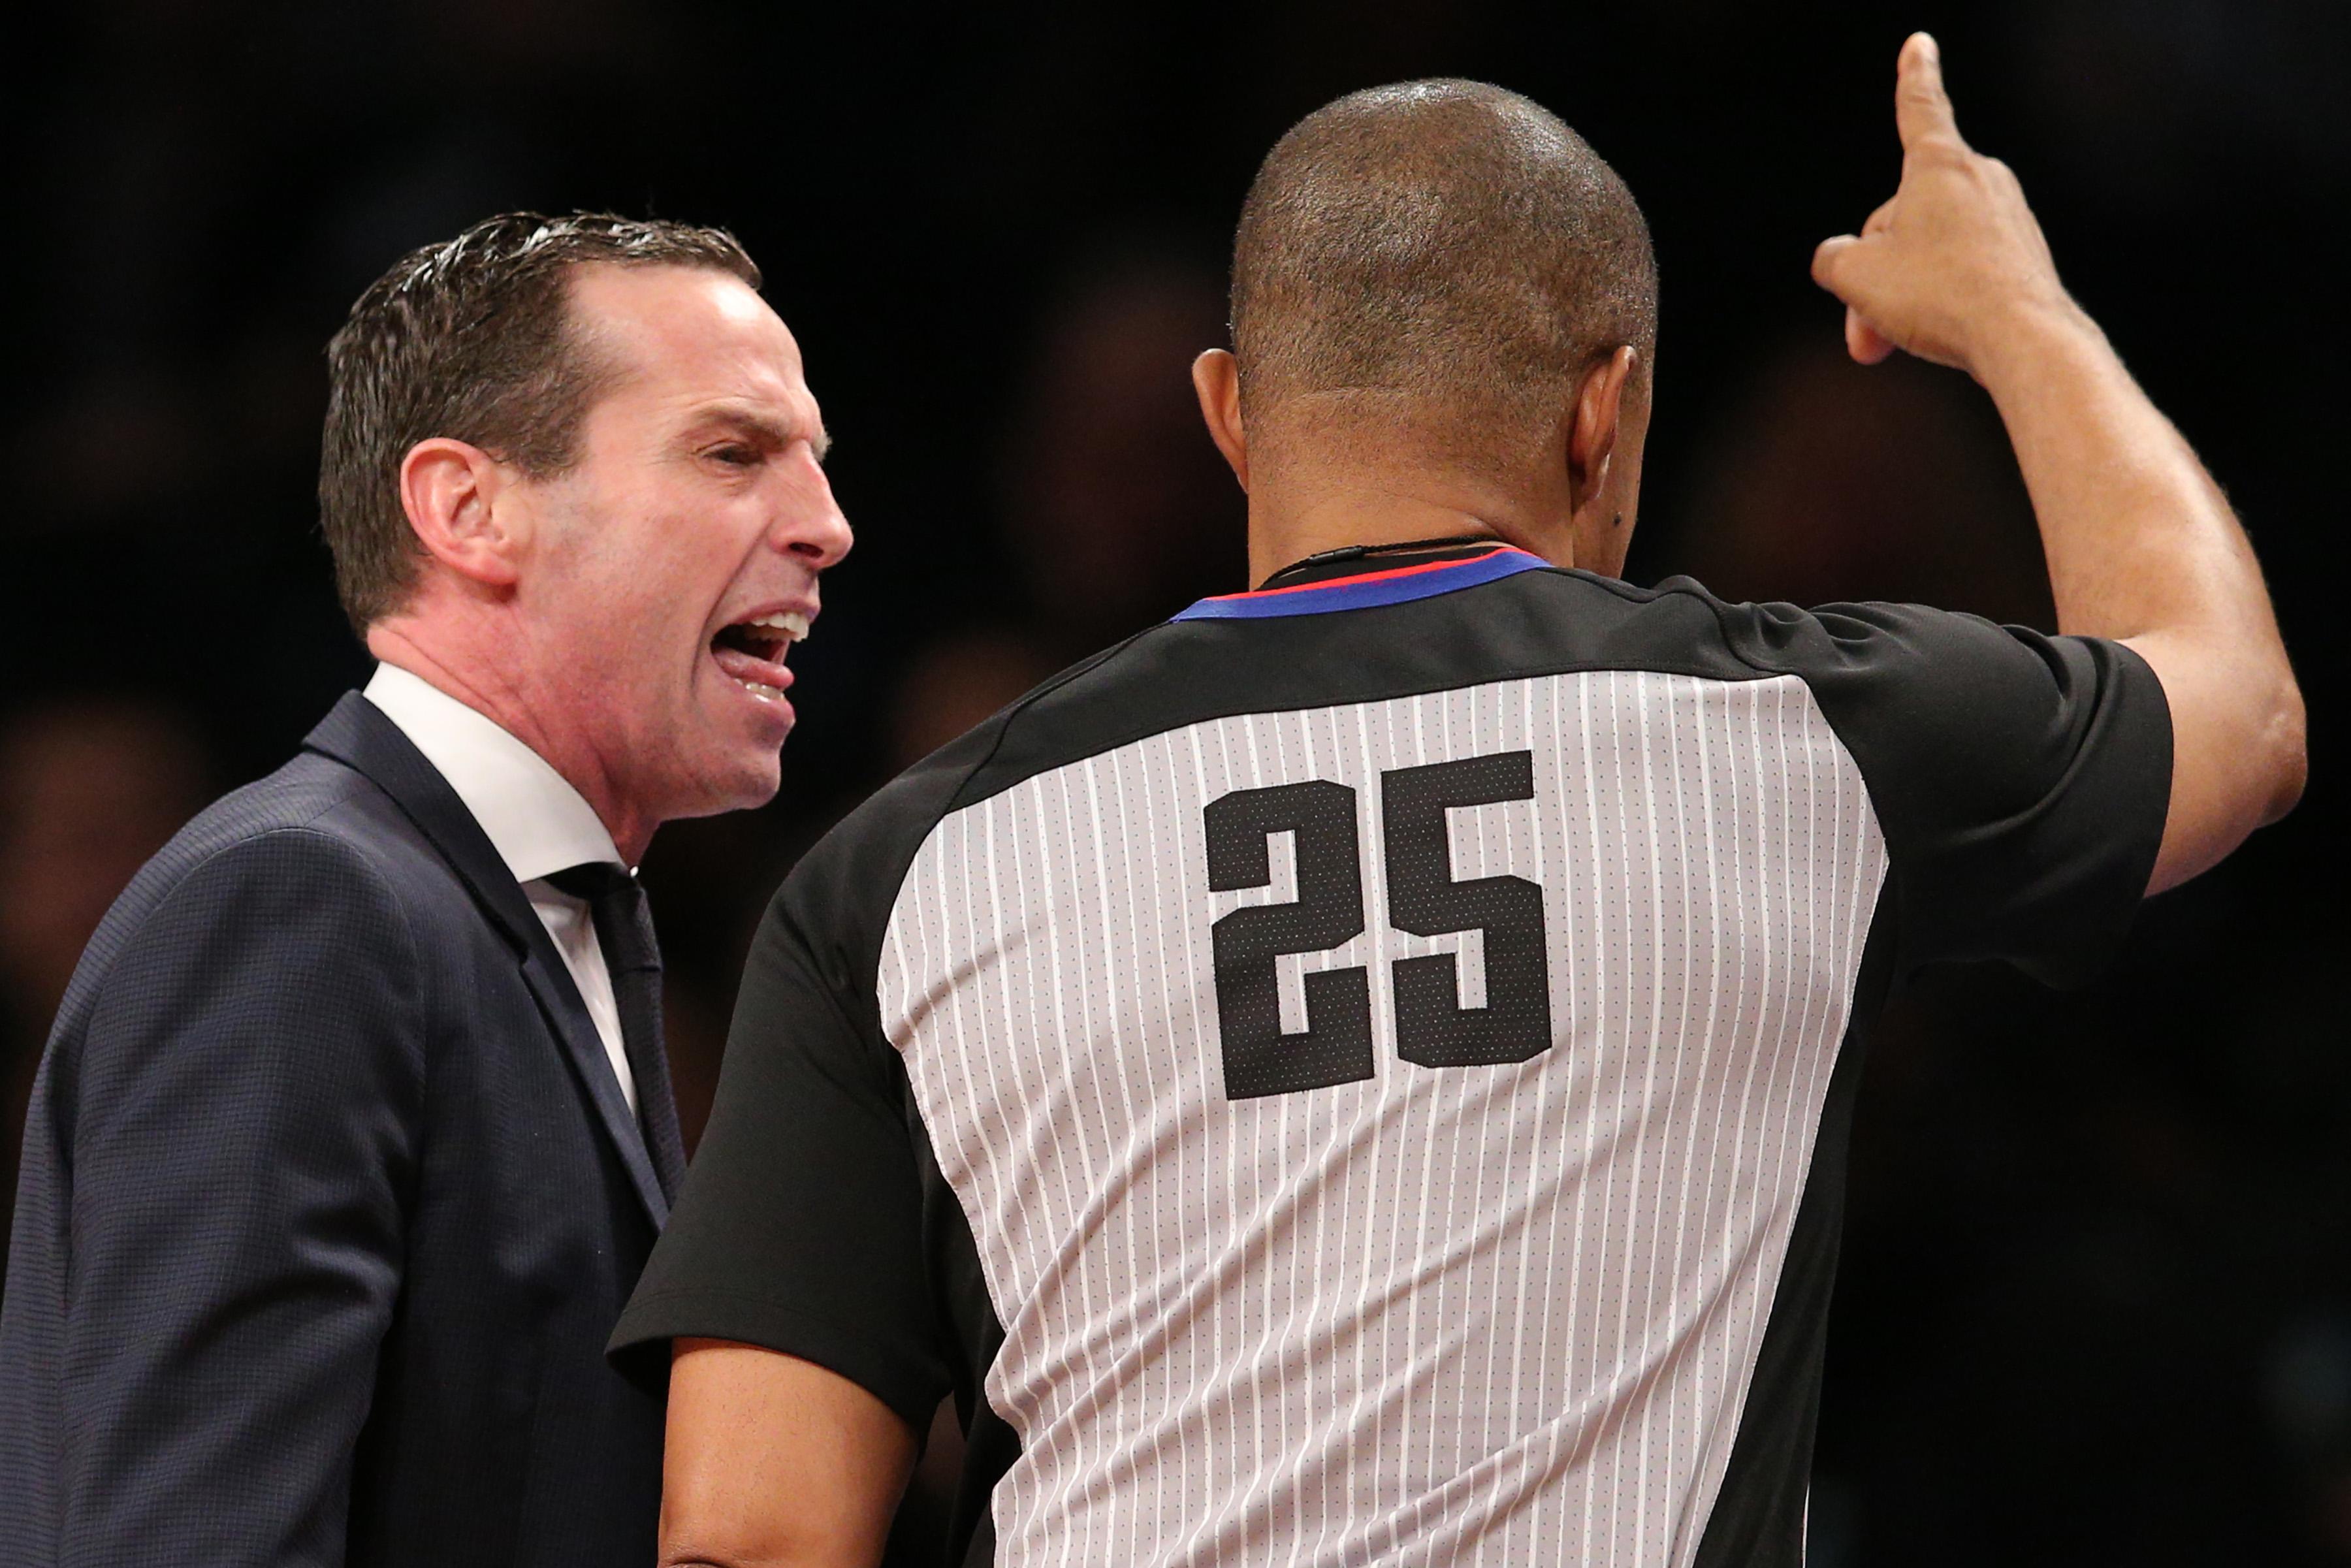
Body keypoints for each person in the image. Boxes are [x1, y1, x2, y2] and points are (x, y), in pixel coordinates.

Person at [612, 37, 2302, 1567]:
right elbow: (2236, 710)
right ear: (1604, 415)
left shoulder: (904, 874)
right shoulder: (1805, 742)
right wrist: (2020, 313)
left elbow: (752, 1534)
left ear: (1228, 415)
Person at [0, 212, 850, 1565]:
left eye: (814, 462)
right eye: (733, 453)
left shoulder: (552, 914)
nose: (827, 527)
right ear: (471, 510)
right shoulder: (295, 907)